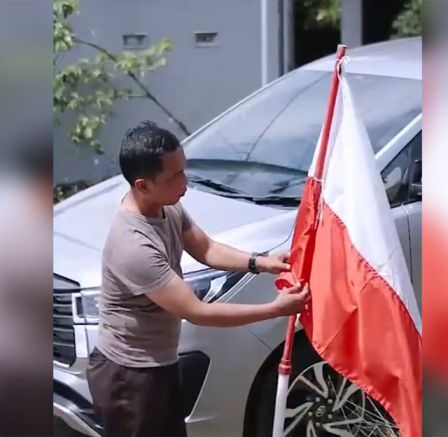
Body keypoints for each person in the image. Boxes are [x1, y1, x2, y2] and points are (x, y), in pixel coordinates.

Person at [87, 121, 309, 437]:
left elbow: (206, 248)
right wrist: (275, 309)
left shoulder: (167, 207)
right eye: (174, 176)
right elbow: (197, 311)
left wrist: (261, 262)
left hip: (159, 364)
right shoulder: (133, 245)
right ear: (143, 185)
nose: (185, 183)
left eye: (183, 170)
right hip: (130, 377)